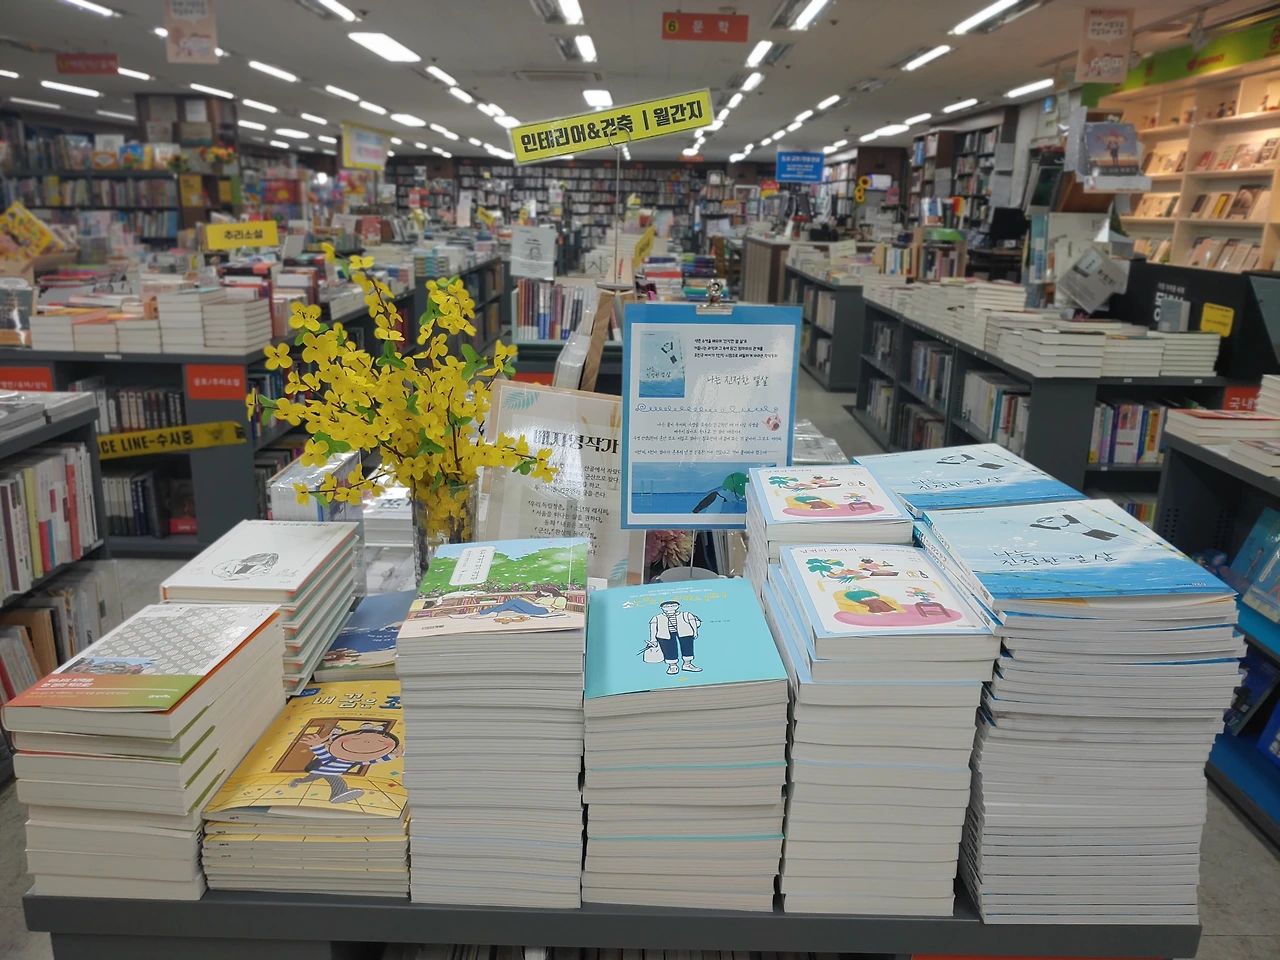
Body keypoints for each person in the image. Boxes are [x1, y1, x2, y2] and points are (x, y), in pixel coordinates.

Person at [290, 723, 403, 804]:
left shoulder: (357, 760)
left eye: (380, 741)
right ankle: (337, 794)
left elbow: (374, 760)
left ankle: (297, 781)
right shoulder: (333, 756)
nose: (366, 743)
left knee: (312, 779)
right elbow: (322, 754)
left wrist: (393, 755)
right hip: (322, 770)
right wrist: (316, 744)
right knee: (328, 780)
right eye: (356, 739)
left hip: (331, 773)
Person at [647, 599, 702, 675]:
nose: (670, 607)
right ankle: (672, 666)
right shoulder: (657, 617)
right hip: (664, 634)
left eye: (673, 605)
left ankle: (687, 664)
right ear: (661, 608)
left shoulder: (686, 614)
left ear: (678, 606)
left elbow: (693, 623)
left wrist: (695, 632)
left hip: (685, 632)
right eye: (667, 606)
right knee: (669, 649)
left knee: (687, 647)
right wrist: (653, 639)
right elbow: (653, 628)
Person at [473, 585, 568, 618]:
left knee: (514, 601)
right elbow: (536, 603)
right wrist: (530, 602)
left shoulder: (559, 598)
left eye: (544, 592)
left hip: (542, 611)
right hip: (534, 608)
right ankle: (483, 612)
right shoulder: (543, 598)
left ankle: (491, 613)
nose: (542, 593)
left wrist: (539, 605)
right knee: (509, 605)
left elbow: (558, 608)